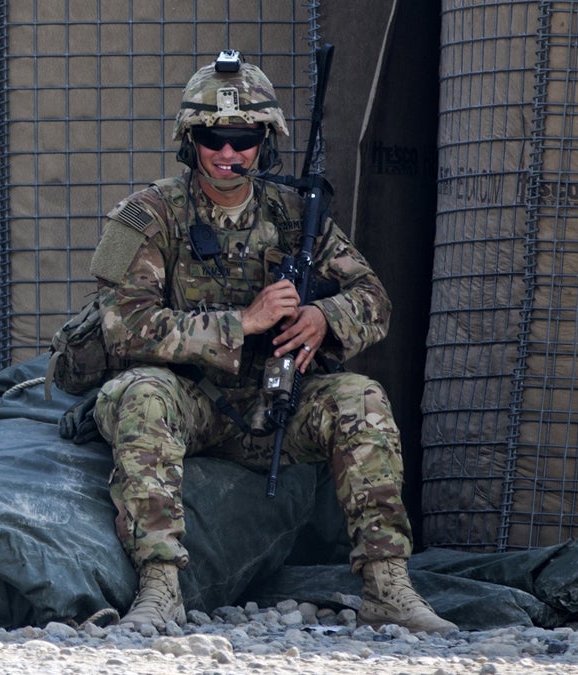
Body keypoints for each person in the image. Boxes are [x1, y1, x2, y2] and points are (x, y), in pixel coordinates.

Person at [88, 52, 457, 634]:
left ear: (265, 140)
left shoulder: (294, 215)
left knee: (360, 397)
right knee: (143, 393)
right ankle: (160, 588)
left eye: (243, 137)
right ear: (191, 139)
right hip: (191, 401)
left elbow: (375, 298)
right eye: (213, 137)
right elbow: (124, 327)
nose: (229, 153)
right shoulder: (149, 216)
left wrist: (323, 315)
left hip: (275, 399)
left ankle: (387, 584)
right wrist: (245, 322)